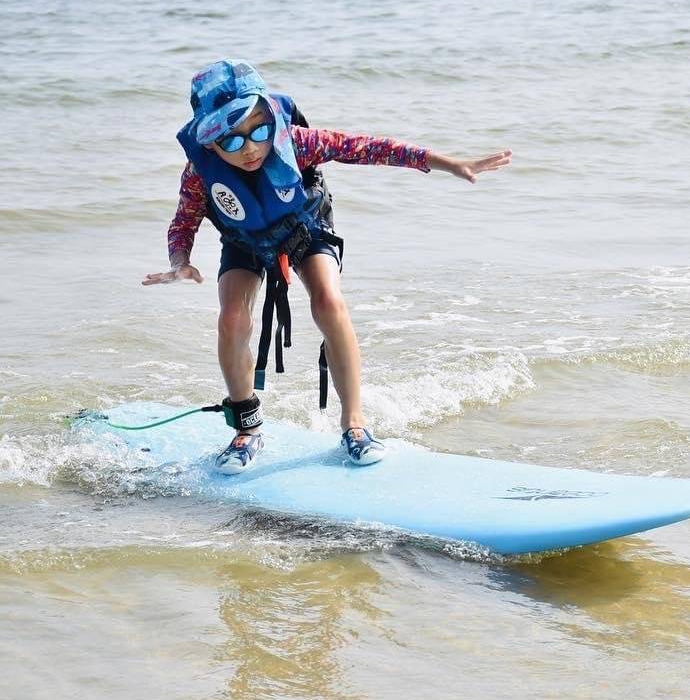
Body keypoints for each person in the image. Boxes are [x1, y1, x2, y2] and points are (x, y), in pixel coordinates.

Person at [143, 59, 512, 474]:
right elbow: (183, 220)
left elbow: (373, 148)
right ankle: (247, 429)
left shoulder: (298, 143)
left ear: (271, 119)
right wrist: (180, 261)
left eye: (260, 131)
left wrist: (449, 163)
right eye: (231, 141)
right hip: (244, 241)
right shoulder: (199, 174)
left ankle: (355, 425)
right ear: (210, 142)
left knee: (328, 303)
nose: (250, 148)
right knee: (231, 319)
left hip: (305, 229)